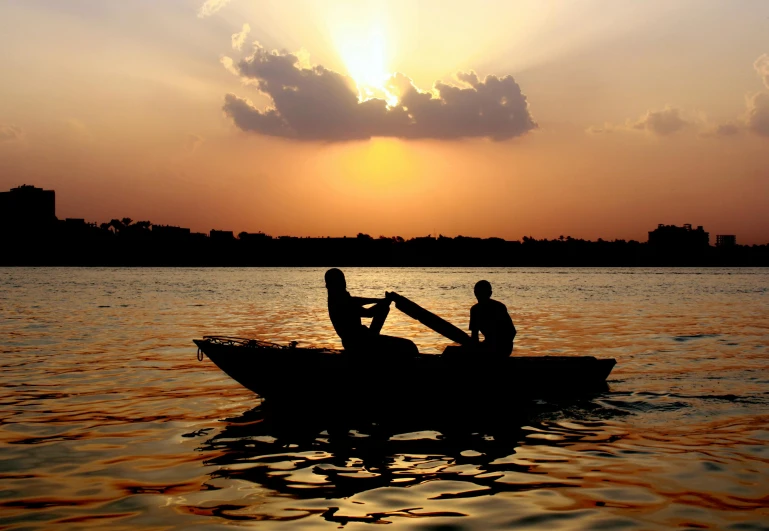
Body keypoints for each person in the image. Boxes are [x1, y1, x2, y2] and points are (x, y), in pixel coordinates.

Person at [325, 268, 418, 359]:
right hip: (360, 343)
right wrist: (383, 303)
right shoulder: (340, 302)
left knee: (384, 309)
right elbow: (368, 313)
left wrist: (380, 301)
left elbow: (357, 300)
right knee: (408, 346)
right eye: (341, 281)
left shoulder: (338, 299)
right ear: (334, 284)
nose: (344, 284)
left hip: (361, 340)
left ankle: (374, 338)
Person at [469, 280, 516, 358]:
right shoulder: (474, 310)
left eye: (482, 293)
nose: (480, 296)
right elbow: (474, 336)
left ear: (489, 294)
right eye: (478, 293)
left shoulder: (499, 307)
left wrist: (500, 346)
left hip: (504, 347)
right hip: (488, 345)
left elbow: (512, 332)